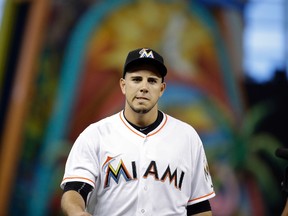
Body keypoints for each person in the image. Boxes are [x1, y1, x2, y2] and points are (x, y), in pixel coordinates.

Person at [60, 47, 216, 216]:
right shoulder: (95, 135)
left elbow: (200, 206)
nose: (144, 87)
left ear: (162, 89)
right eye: (136, 79)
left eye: (152, 81)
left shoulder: (187, 137)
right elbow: (75, 189)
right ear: (123, 85)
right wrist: (77, 212)